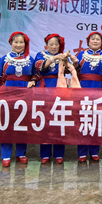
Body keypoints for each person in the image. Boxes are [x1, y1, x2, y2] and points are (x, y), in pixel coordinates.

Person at [0, 32, 37, 167]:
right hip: (7, 96)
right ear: (11, 43)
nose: (18, 45)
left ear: (25, 44)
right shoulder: (4, 60)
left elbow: (36, 76)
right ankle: (5, 155)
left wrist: (33, 81)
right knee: (7, 125)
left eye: (21, 42)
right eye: (16, 42)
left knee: (23, 125)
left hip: (25, 96)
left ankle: (21, 154)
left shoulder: (30, 59)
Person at [70, 31, 102, 162]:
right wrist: (75, 64)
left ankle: (94, 151)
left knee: (97, 122)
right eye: (93, 39)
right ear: (88, 41)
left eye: (98, 39)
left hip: (100, 90)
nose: (95, 41)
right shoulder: (81, 55)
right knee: (83, 121)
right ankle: (81, 152)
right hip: (83, 90)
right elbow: (74, 73)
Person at [34, 33, 68, 164]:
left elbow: (71, 70)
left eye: (56, 44)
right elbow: (40, 67)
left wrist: (71, 61)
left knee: (59, 122)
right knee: (45, 122)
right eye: (51, 44)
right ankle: (45, 154)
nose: (53, 47)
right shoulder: (40, 55)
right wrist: (54, 58)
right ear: (46, 45)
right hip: (44, 89)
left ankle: (59, 154)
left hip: (60, 89)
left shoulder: (62, 56)